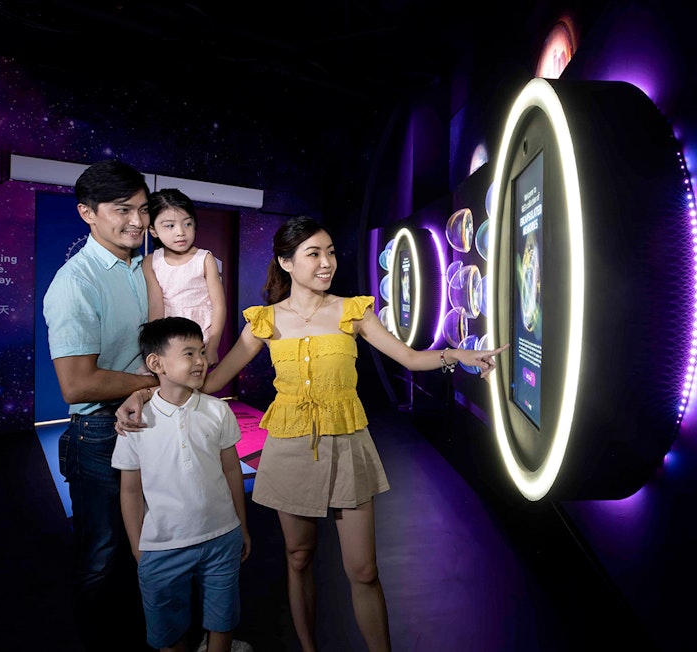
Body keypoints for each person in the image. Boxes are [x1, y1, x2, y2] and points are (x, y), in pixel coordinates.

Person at [117, 215, 507, 652]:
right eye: (314, 254)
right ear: (286, 262)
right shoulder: (264, 321)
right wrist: (144, 395)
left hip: (347, 443)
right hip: (288, 446)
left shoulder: (352, 310)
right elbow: (205, 381)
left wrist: (460, 354)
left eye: (331, 252)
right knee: (298, 558)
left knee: (364, 571)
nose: (327, 263)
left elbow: (411, 358)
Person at [43, 159, 161, 652]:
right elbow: (76, 384)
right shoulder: (77, 282)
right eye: (122, 210)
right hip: (98, 438)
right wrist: (154, 381)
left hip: (152, 424)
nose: (137, 221)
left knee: (153, 543)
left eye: (142, 209)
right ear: (87, 213)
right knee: (102, 555)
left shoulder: (144, 265)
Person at [112, 317, 252, 652]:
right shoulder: (136, 421)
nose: (201, 361)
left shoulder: (218, 411)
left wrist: (241, 527)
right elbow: (130, 489)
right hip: (162, 547)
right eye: (189, 353)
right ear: (156, 363)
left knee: (222, 621)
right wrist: (137, 546)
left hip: (222, 537)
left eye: (202, 352)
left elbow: (232, 471)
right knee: (168, 632)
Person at [143, 188, 227, 367]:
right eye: (170, 226)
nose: (181, 232)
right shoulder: (151, 262)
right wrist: (156, 346)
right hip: (169, 336)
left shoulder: (204, 258)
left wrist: (213, 345)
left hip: (200, 335)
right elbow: (156, 306)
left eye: (187, 224)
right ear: (153, 230)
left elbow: (218, 305)